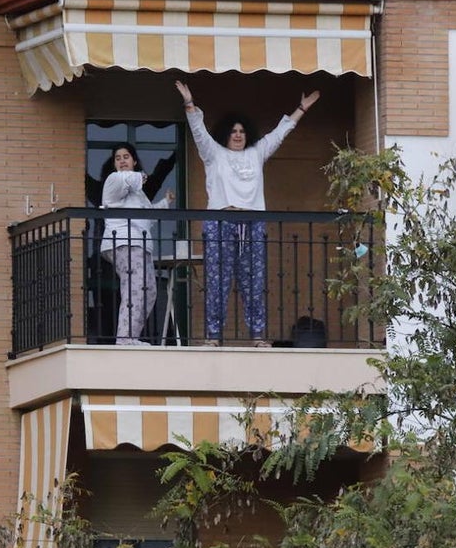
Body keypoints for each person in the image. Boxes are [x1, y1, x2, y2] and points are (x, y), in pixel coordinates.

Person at [175, 79, 320, 347]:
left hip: (252, 224)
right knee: (217, 282)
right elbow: (198, 131)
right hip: (220, 223)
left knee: (253, 282)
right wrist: (189, 103)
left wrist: (301, 108)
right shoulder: (214, 154)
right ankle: (213, 337)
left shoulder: (256, 152)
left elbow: (279, 133)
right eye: (233, 131)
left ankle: (257, 337)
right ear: (225, 134)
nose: (238, 135)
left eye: (242, 131)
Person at [85, 149, 177, 343]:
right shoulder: (113, 180)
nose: (122, 161)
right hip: (124, 242)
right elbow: (124, 180)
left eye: (126, 157)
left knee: (150, 290)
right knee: (135, 287)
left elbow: (147, 218)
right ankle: (125, 338)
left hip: (139, 244)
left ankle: (131, 335)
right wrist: (140, 175)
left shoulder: (139, 194)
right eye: (118, 158)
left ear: (134, 160)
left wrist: (165, 203)